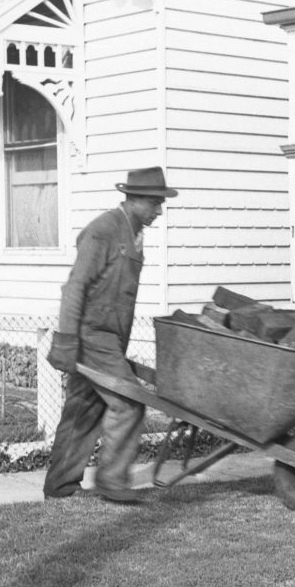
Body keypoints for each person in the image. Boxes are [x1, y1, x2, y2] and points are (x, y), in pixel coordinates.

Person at [43, 166, 178, 502]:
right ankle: (112, 482)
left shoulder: (133, 233)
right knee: (130, 403)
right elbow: (75, 287)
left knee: (82, 411)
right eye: (153, 203)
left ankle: (59, 488)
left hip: (110, 340)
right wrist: (67, 340)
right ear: (132, 200)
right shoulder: (104, 231)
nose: (158, 211)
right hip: (92, 336)